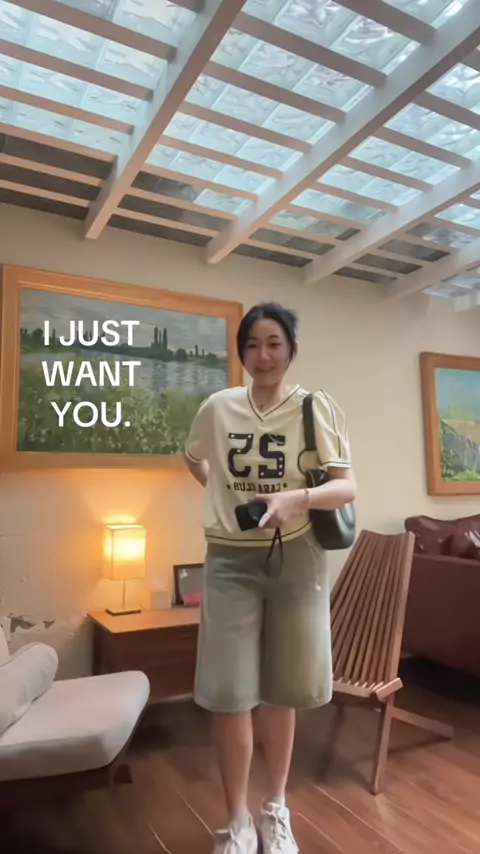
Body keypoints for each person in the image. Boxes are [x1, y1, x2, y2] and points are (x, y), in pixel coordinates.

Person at [184, 301, 356, 854]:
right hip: (229, 560)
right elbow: (193, 457)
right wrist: (222, 493)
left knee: (283, 689)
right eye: (252, 344)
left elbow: (346, 486)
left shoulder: (314, 407)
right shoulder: (218, 407)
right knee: (231, 694)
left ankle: (275, 809)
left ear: (292, 351)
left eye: (274, 343)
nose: (263, 355)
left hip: (296, 559)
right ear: (241, 353)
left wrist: (294, 499)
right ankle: (237, 820)